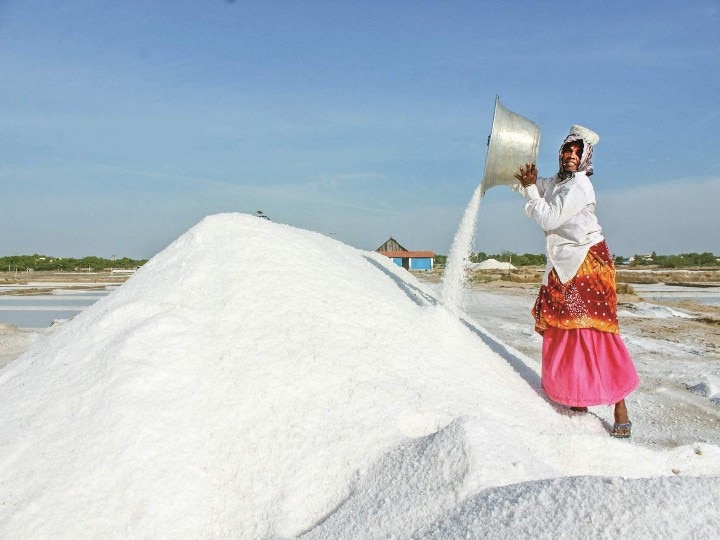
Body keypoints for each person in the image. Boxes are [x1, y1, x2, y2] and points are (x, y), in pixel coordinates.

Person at [514, 125, 639, 438]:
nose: (571, 156)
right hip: (562, 263)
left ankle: (620, 406)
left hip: (588, 262)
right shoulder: (558, 182)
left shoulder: (580, 186)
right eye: (568, 150)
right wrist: (518, 174)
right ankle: (577, 398)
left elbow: (549, 218)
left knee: (595, 333)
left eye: (577, 152)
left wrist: (531, 190)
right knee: (563, 330)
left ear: (586, 158)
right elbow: (529, 186)